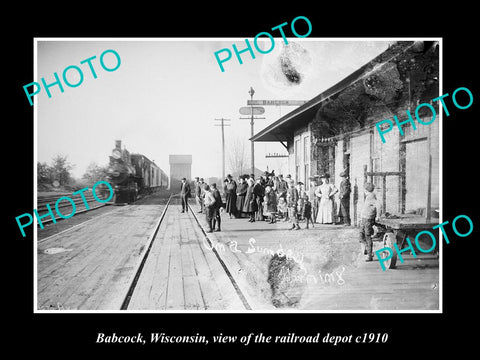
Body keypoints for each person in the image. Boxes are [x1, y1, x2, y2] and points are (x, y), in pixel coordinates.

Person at [359, 182, 381, 261]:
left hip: (368, 219)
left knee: (367, 236)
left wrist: (378, 216)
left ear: (366, 190)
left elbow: (378, 205)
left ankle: (369, 255)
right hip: (364, 218)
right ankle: (368, 250)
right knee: (361, 236)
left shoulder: (371, 196)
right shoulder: (369, 196)